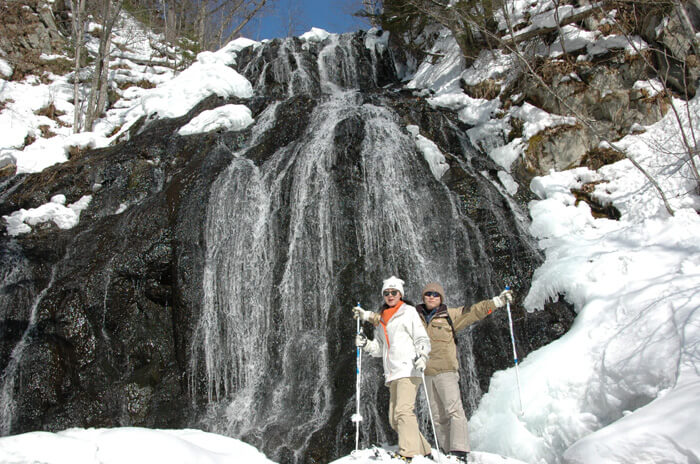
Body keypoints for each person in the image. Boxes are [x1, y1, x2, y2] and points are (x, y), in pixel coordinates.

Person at [355, 281, 514, 462]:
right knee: (437, 415)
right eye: (428, 294)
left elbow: (474, 312)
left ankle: (460, 451)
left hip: (446, 368)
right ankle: (445, 452)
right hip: (425, 371)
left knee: (453, 409)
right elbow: (389, 319)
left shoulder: (449, 315)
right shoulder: (414, 314)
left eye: (435, 294)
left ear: (441, 298)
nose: (431, 297)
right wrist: (367, 317)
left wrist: (497, 302)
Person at [354, 276, 432, 462]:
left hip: (409, 368)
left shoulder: (409, 312)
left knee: (403, 412)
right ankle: (425, 449)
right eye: (387, 293)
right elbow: (380, 349)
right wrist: (365, 344)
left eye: (394, 292)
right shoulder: (382, 320)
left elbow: (422, 338)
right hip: (392, 373)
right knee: (394, 419)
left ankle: (408, 454)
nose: (390, 295)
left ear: (400, 294)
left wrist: (423, 356)